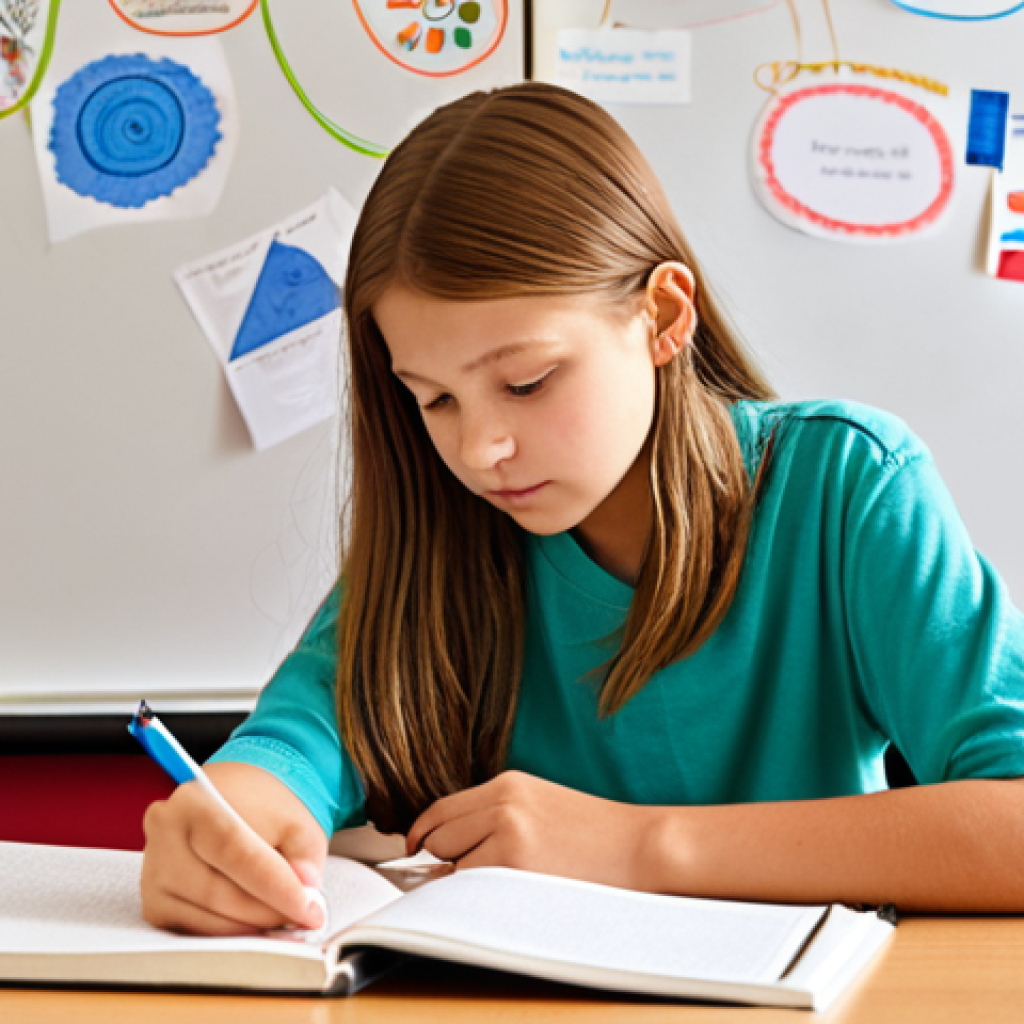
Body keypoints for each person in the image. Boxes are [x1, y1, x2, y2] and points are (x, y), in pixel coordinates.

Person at [141, 82, 1024, 937]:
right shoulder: (446, 533)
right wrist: (241, 810)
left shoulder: (848, 484)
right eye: (435, 399)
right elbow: (293, 743)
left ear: (664, 315)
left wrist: (638, 846)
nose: (480, 450)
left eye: (526, 382)